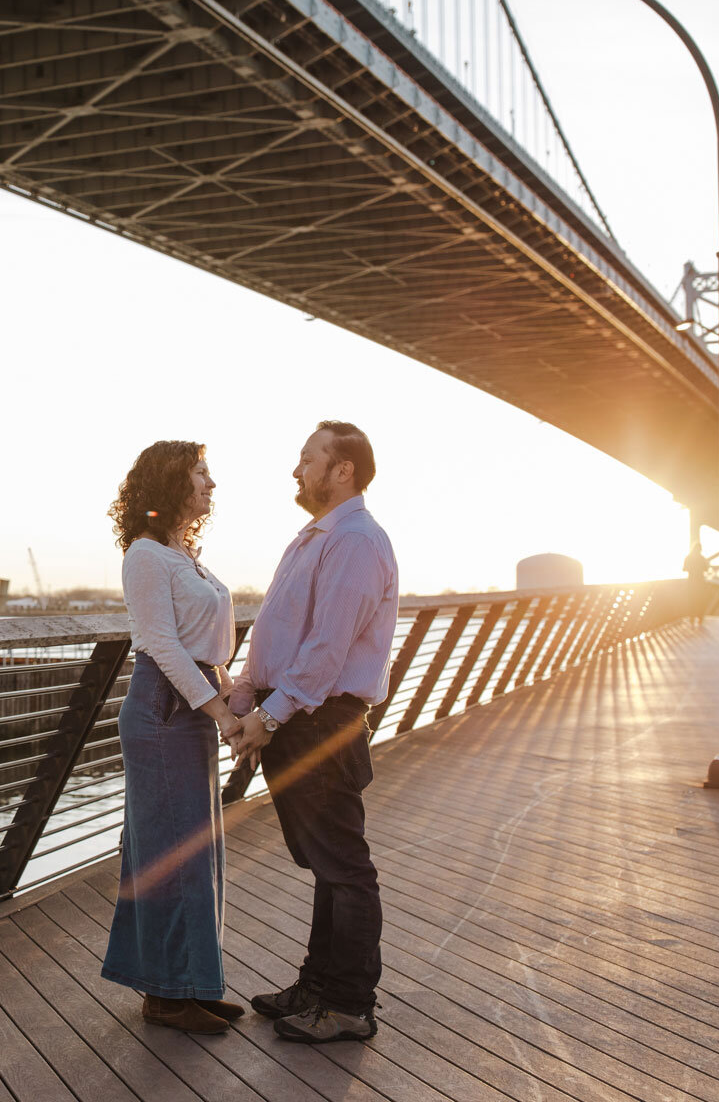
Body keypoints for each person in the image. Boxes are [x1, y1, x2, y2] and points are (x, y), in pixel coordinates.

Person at [228, 420, 398, 1044]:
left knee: (346, 867)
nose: (297, 470)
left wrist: (268, 717)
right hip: (296, 716)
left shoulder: (354, 540)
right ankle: (317, 987)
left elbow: (327, 649)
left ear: (342, 469)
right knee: (328, 863)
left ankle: (349, 1006)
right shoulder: (314, 538)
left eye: (307, 459)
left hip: (318, 721)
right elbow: (279, 632)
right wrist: (246, 694)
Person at [100, 440, 246, 1033]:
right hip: (163, 709)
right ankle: (165, 995)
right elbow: (160, 644)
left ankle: (191, 982)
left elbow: (208, 642)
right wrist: (222, 714)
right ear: (171, 482)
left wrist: (232, 688)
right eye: (201, 473)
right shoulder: (145, 555)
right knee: (169, 852)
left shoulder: (185, 554)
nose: (211, 483)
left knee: (197, 851)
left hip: (192, 704)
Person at [683, 541, 715, 627]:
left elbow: (684, 569)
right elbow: (706, 569)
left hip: (691, 582)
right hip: (700, 582)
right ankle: (700, 617)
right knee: (701, 600)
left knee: (692, 600)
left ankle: (692, 618)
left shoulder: (688, 557)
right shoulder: (702, 558)